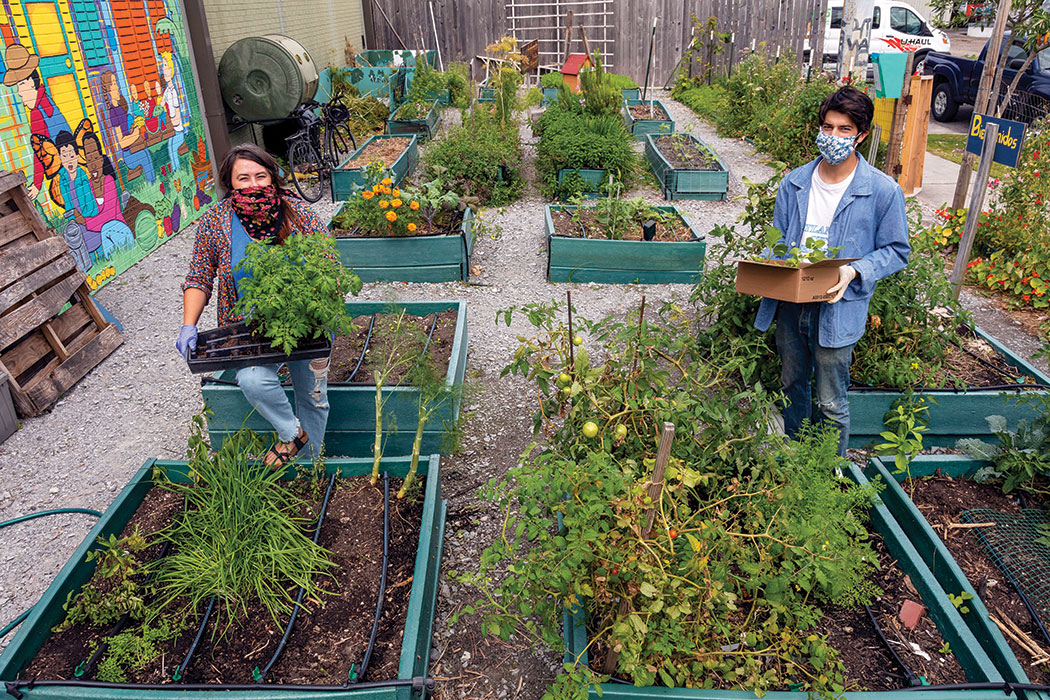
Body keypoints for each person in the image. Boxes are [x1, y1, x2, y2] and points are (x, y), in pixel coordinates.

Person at [753, 86, 910, 457]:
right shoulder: (795, 183)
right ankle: (794, 459)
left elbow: (897, 251)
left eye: (844, 130)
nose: (834, 137)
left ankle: (828, 470)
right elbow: (778, 241)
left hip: (839, 308)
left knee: (831, 399)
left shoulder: (882, 191)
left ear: (862, 135)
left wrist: (855, 271)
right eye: (828, 127)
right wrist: (764, 264)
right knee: (792, 384)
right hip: (791, 302)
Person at [177, 143, 332, 467]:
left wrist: (310, 292)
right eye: (243, 178)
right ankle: (292, 435)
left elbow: (327, 262)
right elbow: (199, 275)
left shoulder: (298, 211)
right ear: (229, 183)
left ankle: (312, 467)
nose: (253, 185)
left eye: (260, 176)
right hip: (250, 326)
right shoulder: (215, 222)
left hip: (306, 320)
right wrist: (188, 324)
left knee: (313, 397)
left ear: (273, 177)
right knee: (252, 380)